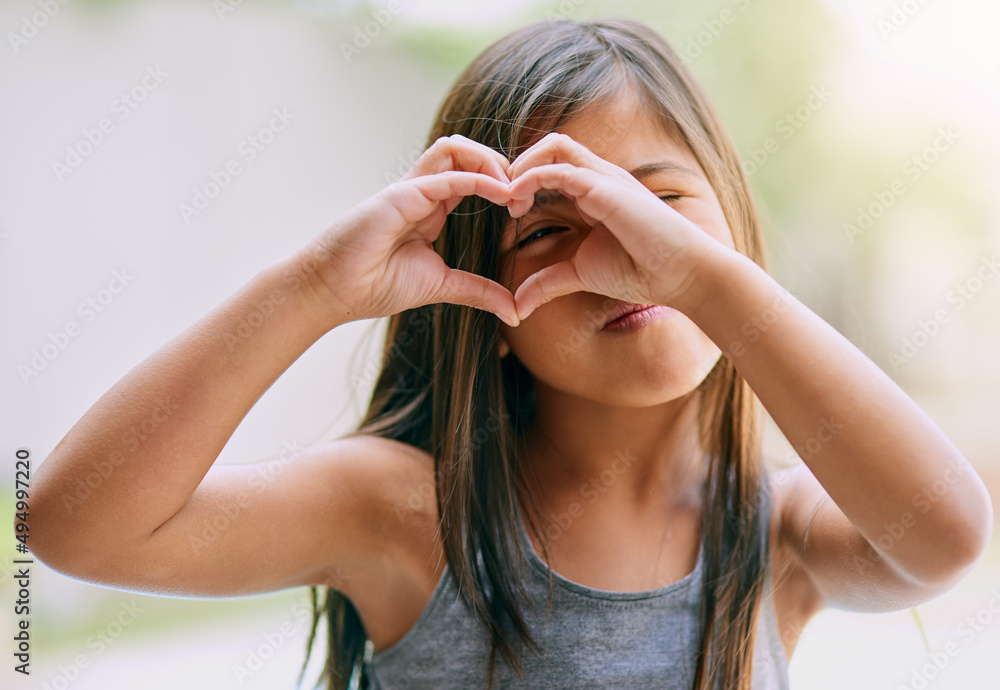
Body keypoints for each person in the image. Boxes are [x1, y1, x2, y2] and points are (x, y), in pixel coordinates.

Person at [28, 16, 993, 690]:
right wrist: (316, 285)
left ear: (731, 228)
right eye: (545, 233)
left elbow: (946, 532)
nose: (619, 266)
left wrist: (707, 283)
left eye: (657, 210)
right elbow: (76, 526)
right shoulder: (409, 514)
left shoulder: (778, 535)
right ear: (479, 300)